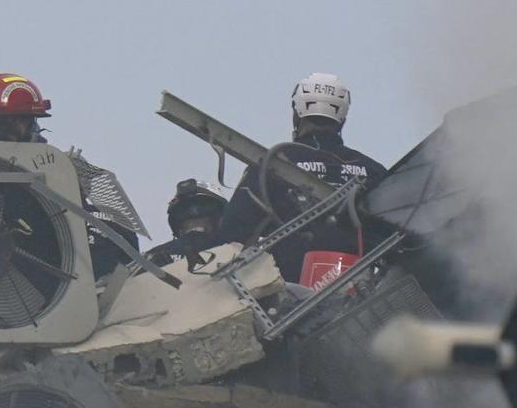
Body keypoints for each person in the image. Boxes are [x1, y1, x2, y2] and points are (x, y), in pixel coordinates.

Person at [217, 72, 388, 281]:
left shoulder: (274, 164)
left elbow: (231, 232)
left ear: (297, 114)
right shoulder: (372, 170)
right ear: (342, 119)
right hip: (366, 291)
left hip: (291, 297)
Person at [0, 72, 141, 279]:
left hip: (69, 275)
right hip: (37, 280)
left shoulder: (60, 172)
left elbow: (126, 243)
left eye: (4, 125)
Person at [146, 178, 231, 268]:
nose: (194, 212)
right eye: (183, 212)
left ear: (221, 218)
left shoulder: (242, 246)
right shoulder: (158, 257)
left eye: (203, 207)